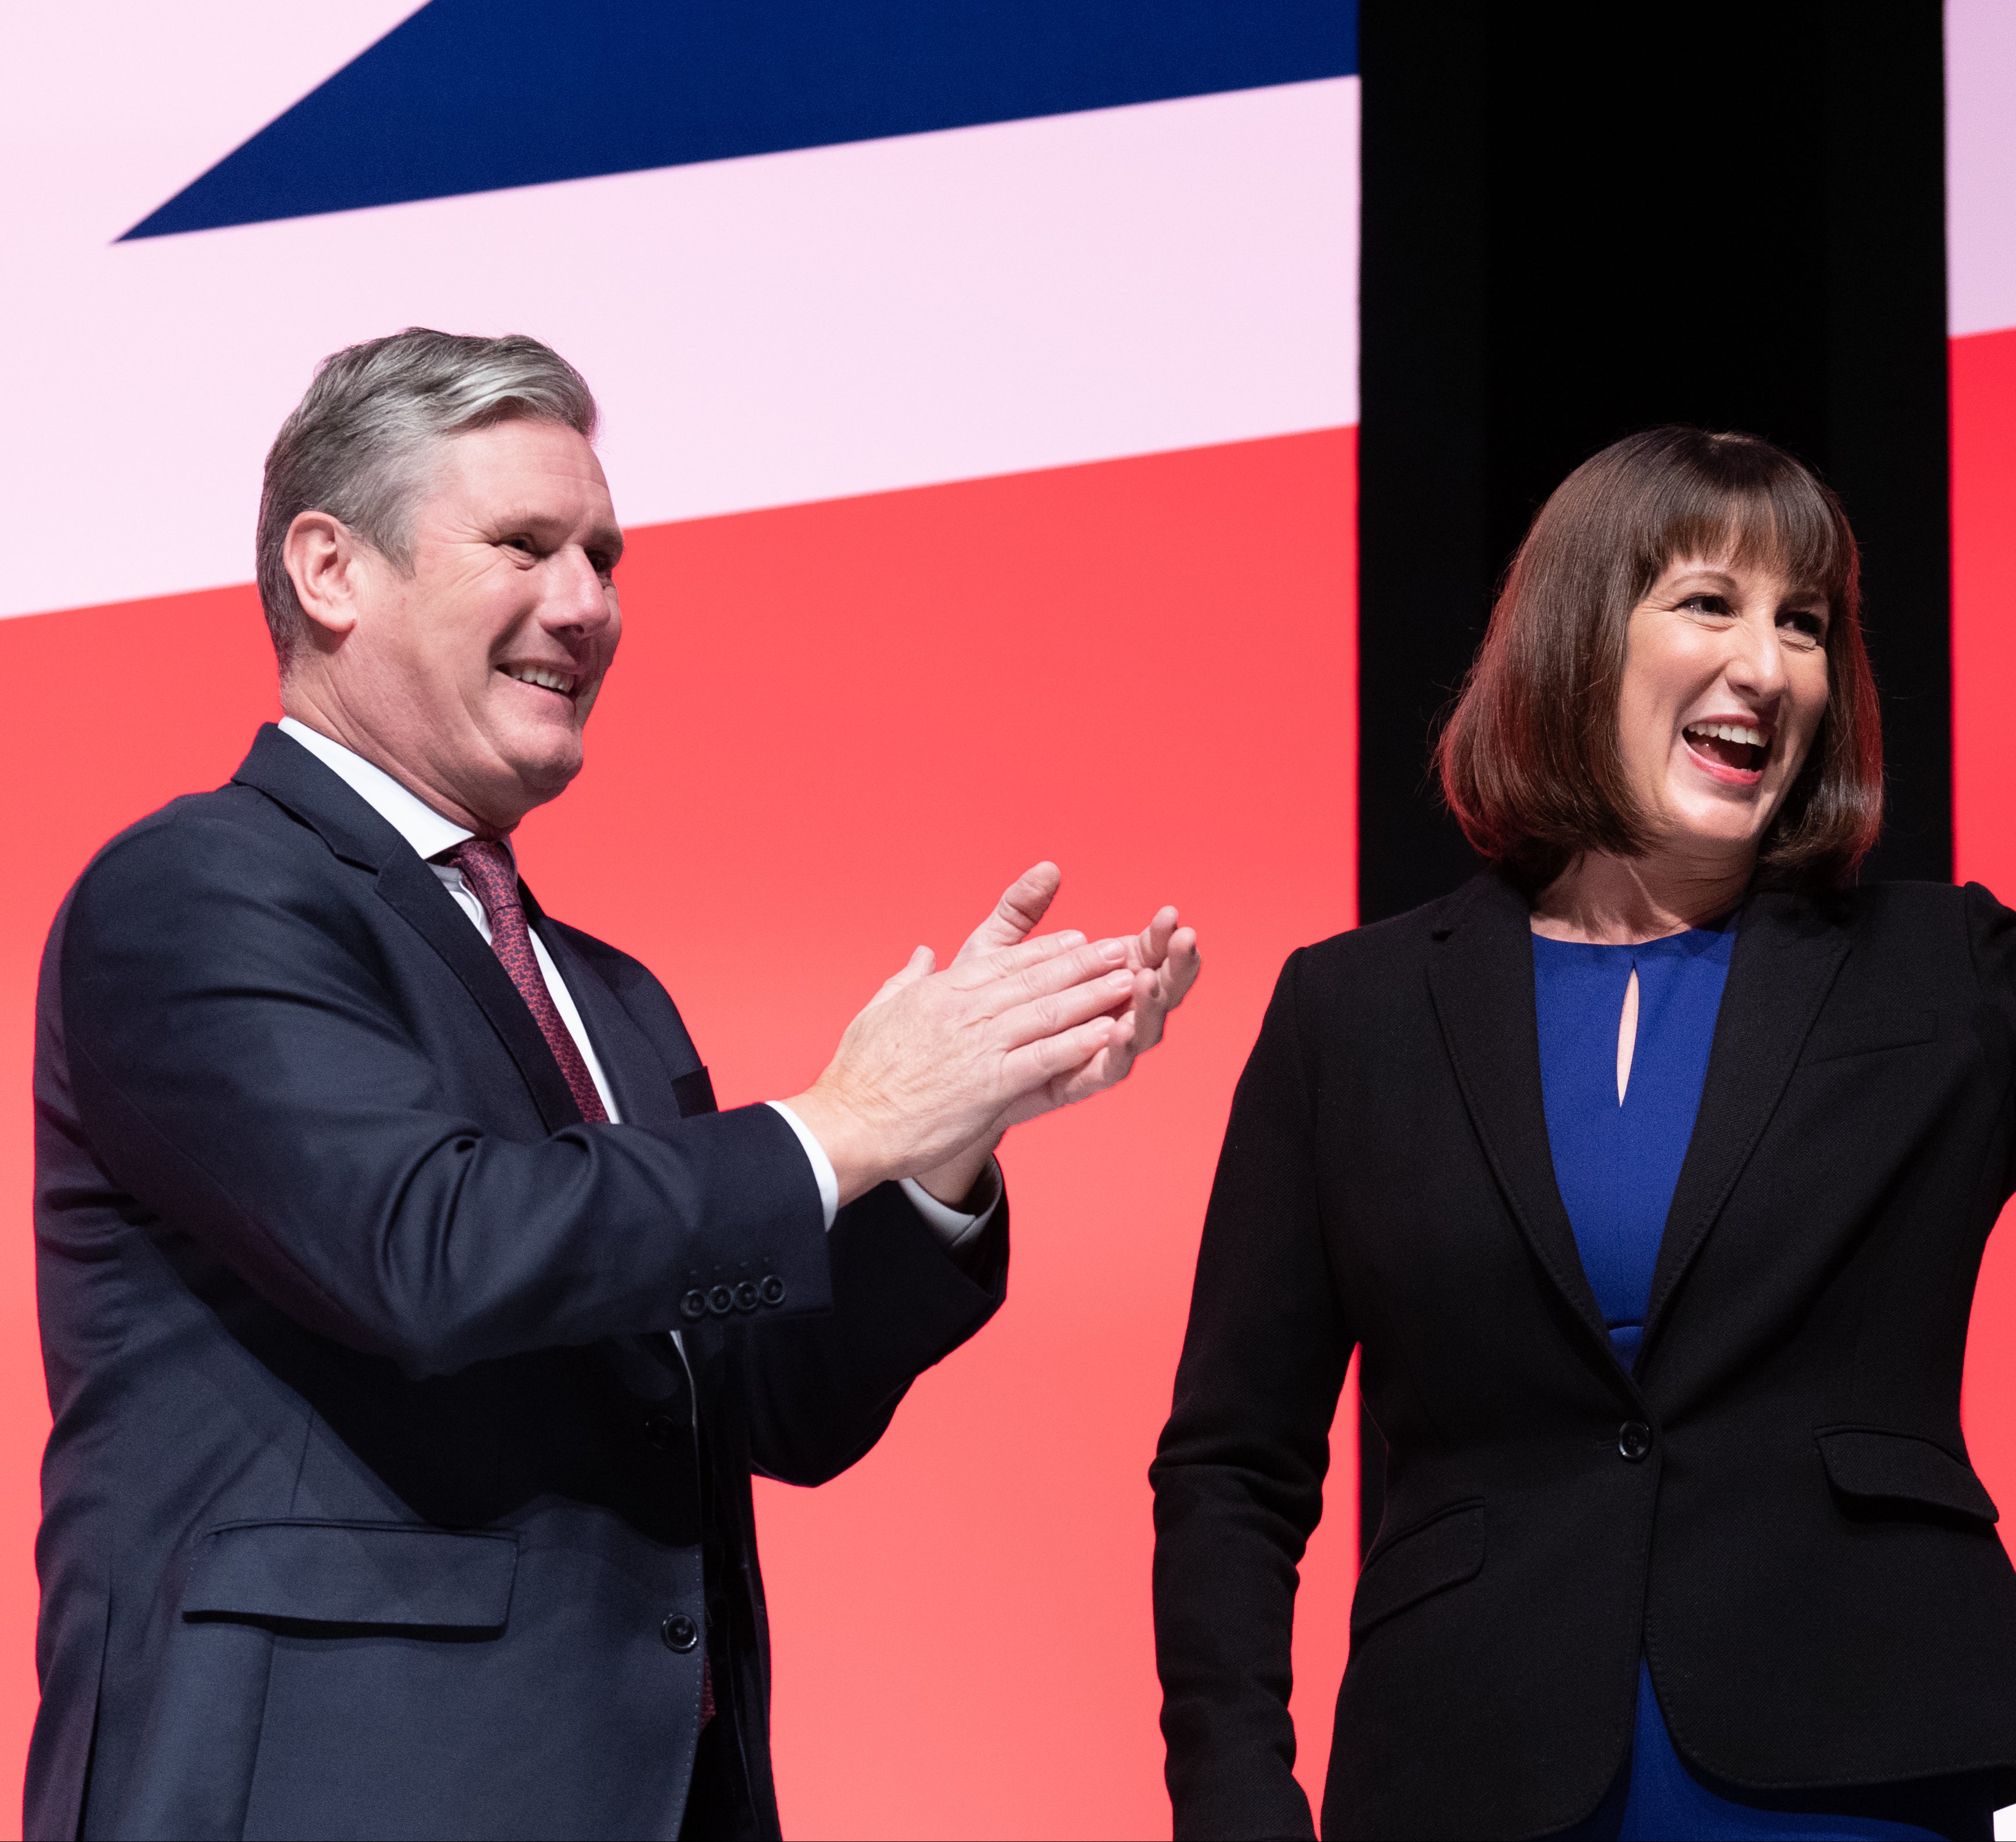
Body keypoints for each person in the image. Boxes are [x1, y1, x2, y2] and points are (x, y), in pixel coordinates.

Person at [28, 328, 1200, 1841]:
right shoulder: (193, 892)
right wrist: (842, 1123)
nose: (586, 605)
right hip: (326, 1786)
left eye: (603, 555)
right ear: (330, 569)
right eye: (524, 544)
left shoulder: (610, 994)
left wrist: (938, 1152)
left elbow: (765, 1403)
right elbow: (423, 1255)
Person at [1150, 428, 2016, 1840]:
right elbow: (1234, 1466)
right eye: (1709, 604)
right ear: (1575, 636)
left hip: (1852, 1768)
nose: (1769, 665)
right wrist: (1237, 1803)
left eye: (1804, 623)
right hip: (1465, 1777)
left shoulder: (1939, 969)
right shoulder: (1350, 1010)